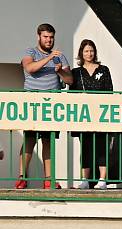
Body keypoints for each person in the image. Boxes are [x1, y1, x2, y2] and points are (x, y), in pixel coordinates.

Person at [18, 23, 73, 189]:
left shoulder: (60, 57)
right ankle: (22, 177)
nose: (49, 40)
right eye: (46, 37)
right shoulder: (31, 52)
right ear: (39, 37)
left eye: (51, 37)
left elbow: (69, 79)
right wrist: (49, 58)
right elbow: (30, 68)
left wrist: (60, 71)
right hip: (33, 103)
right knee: (29, 139)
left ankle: (49, 178)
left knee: (48, 141)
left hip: (52, 106)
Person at [69, 39, 113, 190]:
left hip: (101, 115)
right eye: (86, 51)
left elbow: (109, 91)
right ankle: (85, 180)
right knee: (85, 147)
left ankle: (102, 180)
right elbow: (72, 93)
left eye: (91, 50)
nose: (89, 53)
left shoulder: (104, 69)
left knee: (102, 147)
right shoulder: (76, 72)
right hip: (83, 116)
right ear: (81, 53)